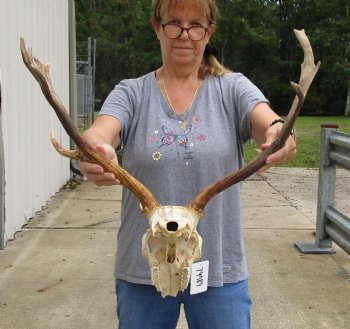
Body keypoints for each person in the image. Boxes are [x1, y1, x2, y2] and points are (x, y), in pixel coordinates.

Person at [80, 0, 296, 328]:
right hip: (145, 272)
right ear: (157, 27)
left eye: (196, 25)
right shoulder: (131, 93)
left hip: (218, 271)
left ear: (209, 32)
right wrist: (94, 151)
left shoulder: (232, 89)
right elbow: (102, 131)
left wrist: (280, 133)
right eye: (173, 23)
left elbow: (268, 121)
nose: (184, 34)